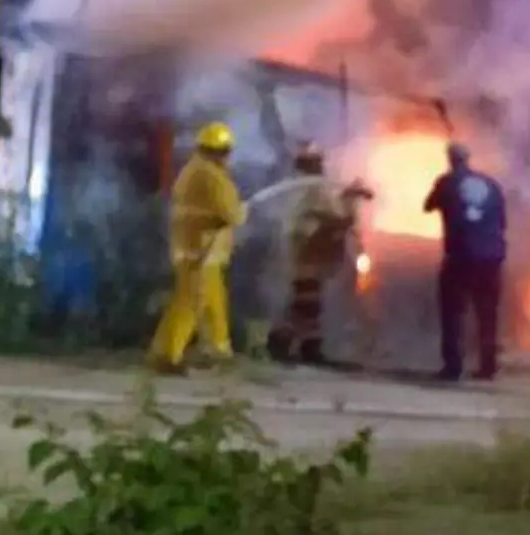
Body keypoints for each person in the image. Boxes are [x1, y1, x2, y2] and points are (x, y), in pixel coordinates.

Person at [147, 121, 246, 375]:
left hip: (199, 250)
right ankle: (168, 356)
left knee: (214, 303)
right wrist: (238, 213)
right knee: (190, 303)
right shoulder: (211, 176)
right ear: (221, 150)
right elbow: (230, 214)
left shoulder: (193, 171)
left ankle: (218, 350)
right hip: (201, 251)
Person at [267, 142, 373, 366]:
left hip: (303, 254)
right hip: (309, 255)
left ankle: (301, 345)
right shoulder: (314, 188)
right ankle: (290, 344)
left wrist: (347, 194)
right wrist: (352, 198)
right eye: (317, 162)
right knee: (307, 304)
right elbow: (338, 217)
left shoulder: (298, 186)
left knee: (305, 302)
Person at [423, 142, 507, 382]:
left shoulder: (446, 182)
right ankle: (489, 367)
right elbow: (502, 221)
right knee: (487, 313)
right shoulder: (492, 184)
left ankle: (453, 367)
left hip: (461, 255)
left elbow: (428, 206)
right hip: (492, 256)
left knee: (452, 311)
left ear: (450, 160)